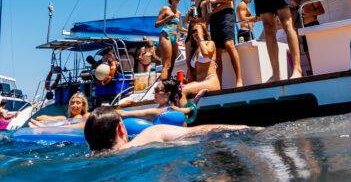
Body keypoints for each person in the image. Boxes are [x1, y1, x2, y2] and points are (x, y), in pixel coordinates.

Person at [83, 105, 250, 152]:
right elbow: (203, 130)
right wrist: (248, 128)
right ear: (120, 128)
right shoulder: (153, 134)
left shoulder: (89, 158)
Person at [204, 0, 243, 88]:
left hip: (226, 13)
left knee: (229, 44)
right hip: (214, 18)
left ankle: (239, 80)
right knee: (218, 53)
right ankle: (219, 85)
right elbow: (209, 8)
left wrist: (216, 1)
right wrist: (206, 24)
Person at [118, 76, 203, 125]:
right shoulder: (174, 109)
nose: (154, 93)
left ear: (168, 94)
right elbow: (190, 109)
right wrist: (199, 96)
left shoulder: (156, 112)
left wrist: (121, 106)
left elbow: (123, 114)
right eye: (155, 90)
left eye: (157, 90)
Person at [180, 22, 221, 105]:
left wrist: (200, 38)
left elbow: (206, 53)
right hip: (200, 84)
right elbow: (195, 72)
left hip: (210, 81)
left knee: (182, 91)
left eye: (197, 31)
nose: (195, 33)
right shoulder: (195, 51)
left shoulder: (210, 43)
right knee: (177, 91)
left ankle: (185, 117)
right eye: (193, 32)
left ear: (203, 32)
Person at [155, 0, 182, 80]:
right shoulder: (165, 9)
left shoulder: (179, 13)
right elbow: (157, 24)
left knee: (172, 65)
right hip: (166, 34)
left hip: (174, 37)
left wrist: (179, 35)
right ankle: (162, 87)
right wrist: (167, 18)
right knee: (166, 64)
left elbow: (180, 28)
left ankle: (167, 84)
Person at [185, 0, 208, 83]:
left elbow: (205, 19)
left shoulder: (203, 4)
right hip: (190, 33)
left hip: (199, 33)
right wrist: (188, 14)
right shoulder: (192, 7)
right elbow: (185, 22)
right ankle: (191, 81)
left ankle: (198, 81)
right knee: (188, 62)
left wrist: (194, 19)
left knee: (197, 60)